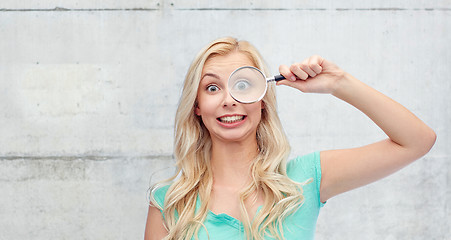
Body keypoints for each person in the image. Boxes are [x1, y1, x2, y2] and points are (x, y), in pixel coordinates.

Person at [144, 37, 436, 240]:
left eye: (243, 85)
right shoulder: (169, 201)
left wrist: (338, 83)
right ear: (196, 106)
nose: (229, 100)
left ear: (262, 99)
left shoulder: (305, 179)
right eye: (211, 88)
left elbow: (417, 140)